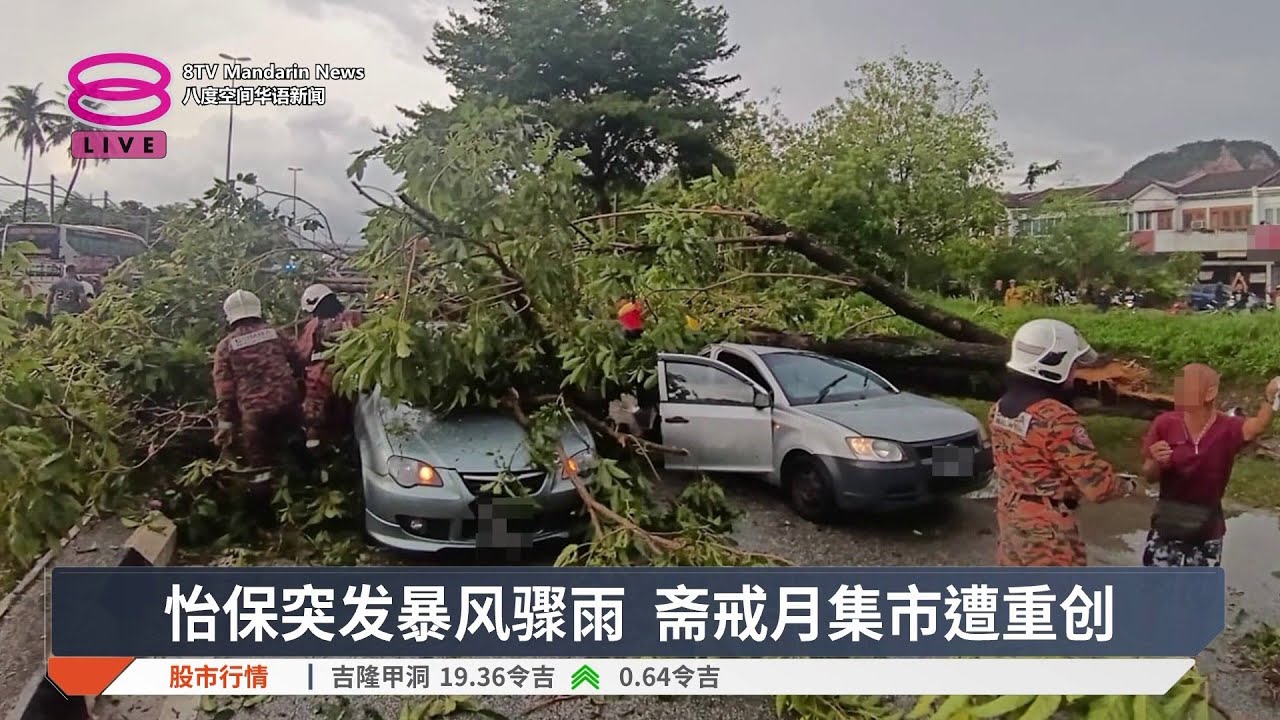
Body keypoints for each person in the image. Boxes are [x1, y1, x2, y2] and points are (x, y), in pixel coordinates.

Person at [988, 318, 1137, 566]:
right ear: (1053, 365)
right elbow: (1098, 487)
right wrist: (1130, 486)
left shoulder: (1000, 409)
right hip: (1047, 532)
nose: (1074, 374)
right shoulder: (1056, 417)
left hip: (1011, 516)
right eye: (1073, 365)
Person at [1139, 365, 1278, 566]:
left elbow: (1258, 427)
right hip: (1167, 526)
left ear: (1210, 392)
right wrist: (1157, 462)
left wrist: (1270, 398)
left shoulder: (1228, 427)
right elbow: (1149, 475)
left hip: (1207, 530)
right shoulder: (1164, 424)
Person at [212, 290, 305, 516]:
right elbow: (300, 359)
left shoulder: (226, 346)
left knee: (260, 463)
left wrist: (225, 425)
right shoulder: (276, 334)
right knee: (296, 448)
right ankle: (307, 494)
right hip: (288, 404)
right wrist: (299, 390)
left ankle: (265, 514)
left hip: (255, 414)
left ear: (230, 316)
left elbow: (225, 390)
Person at [296, 284, 362, 450]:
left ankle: (316, 447)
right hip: (353, 378)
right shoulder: (355, 317)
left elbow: (302, 353)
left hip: (321, 381)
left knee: (313, 419)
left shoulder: (313, 325)